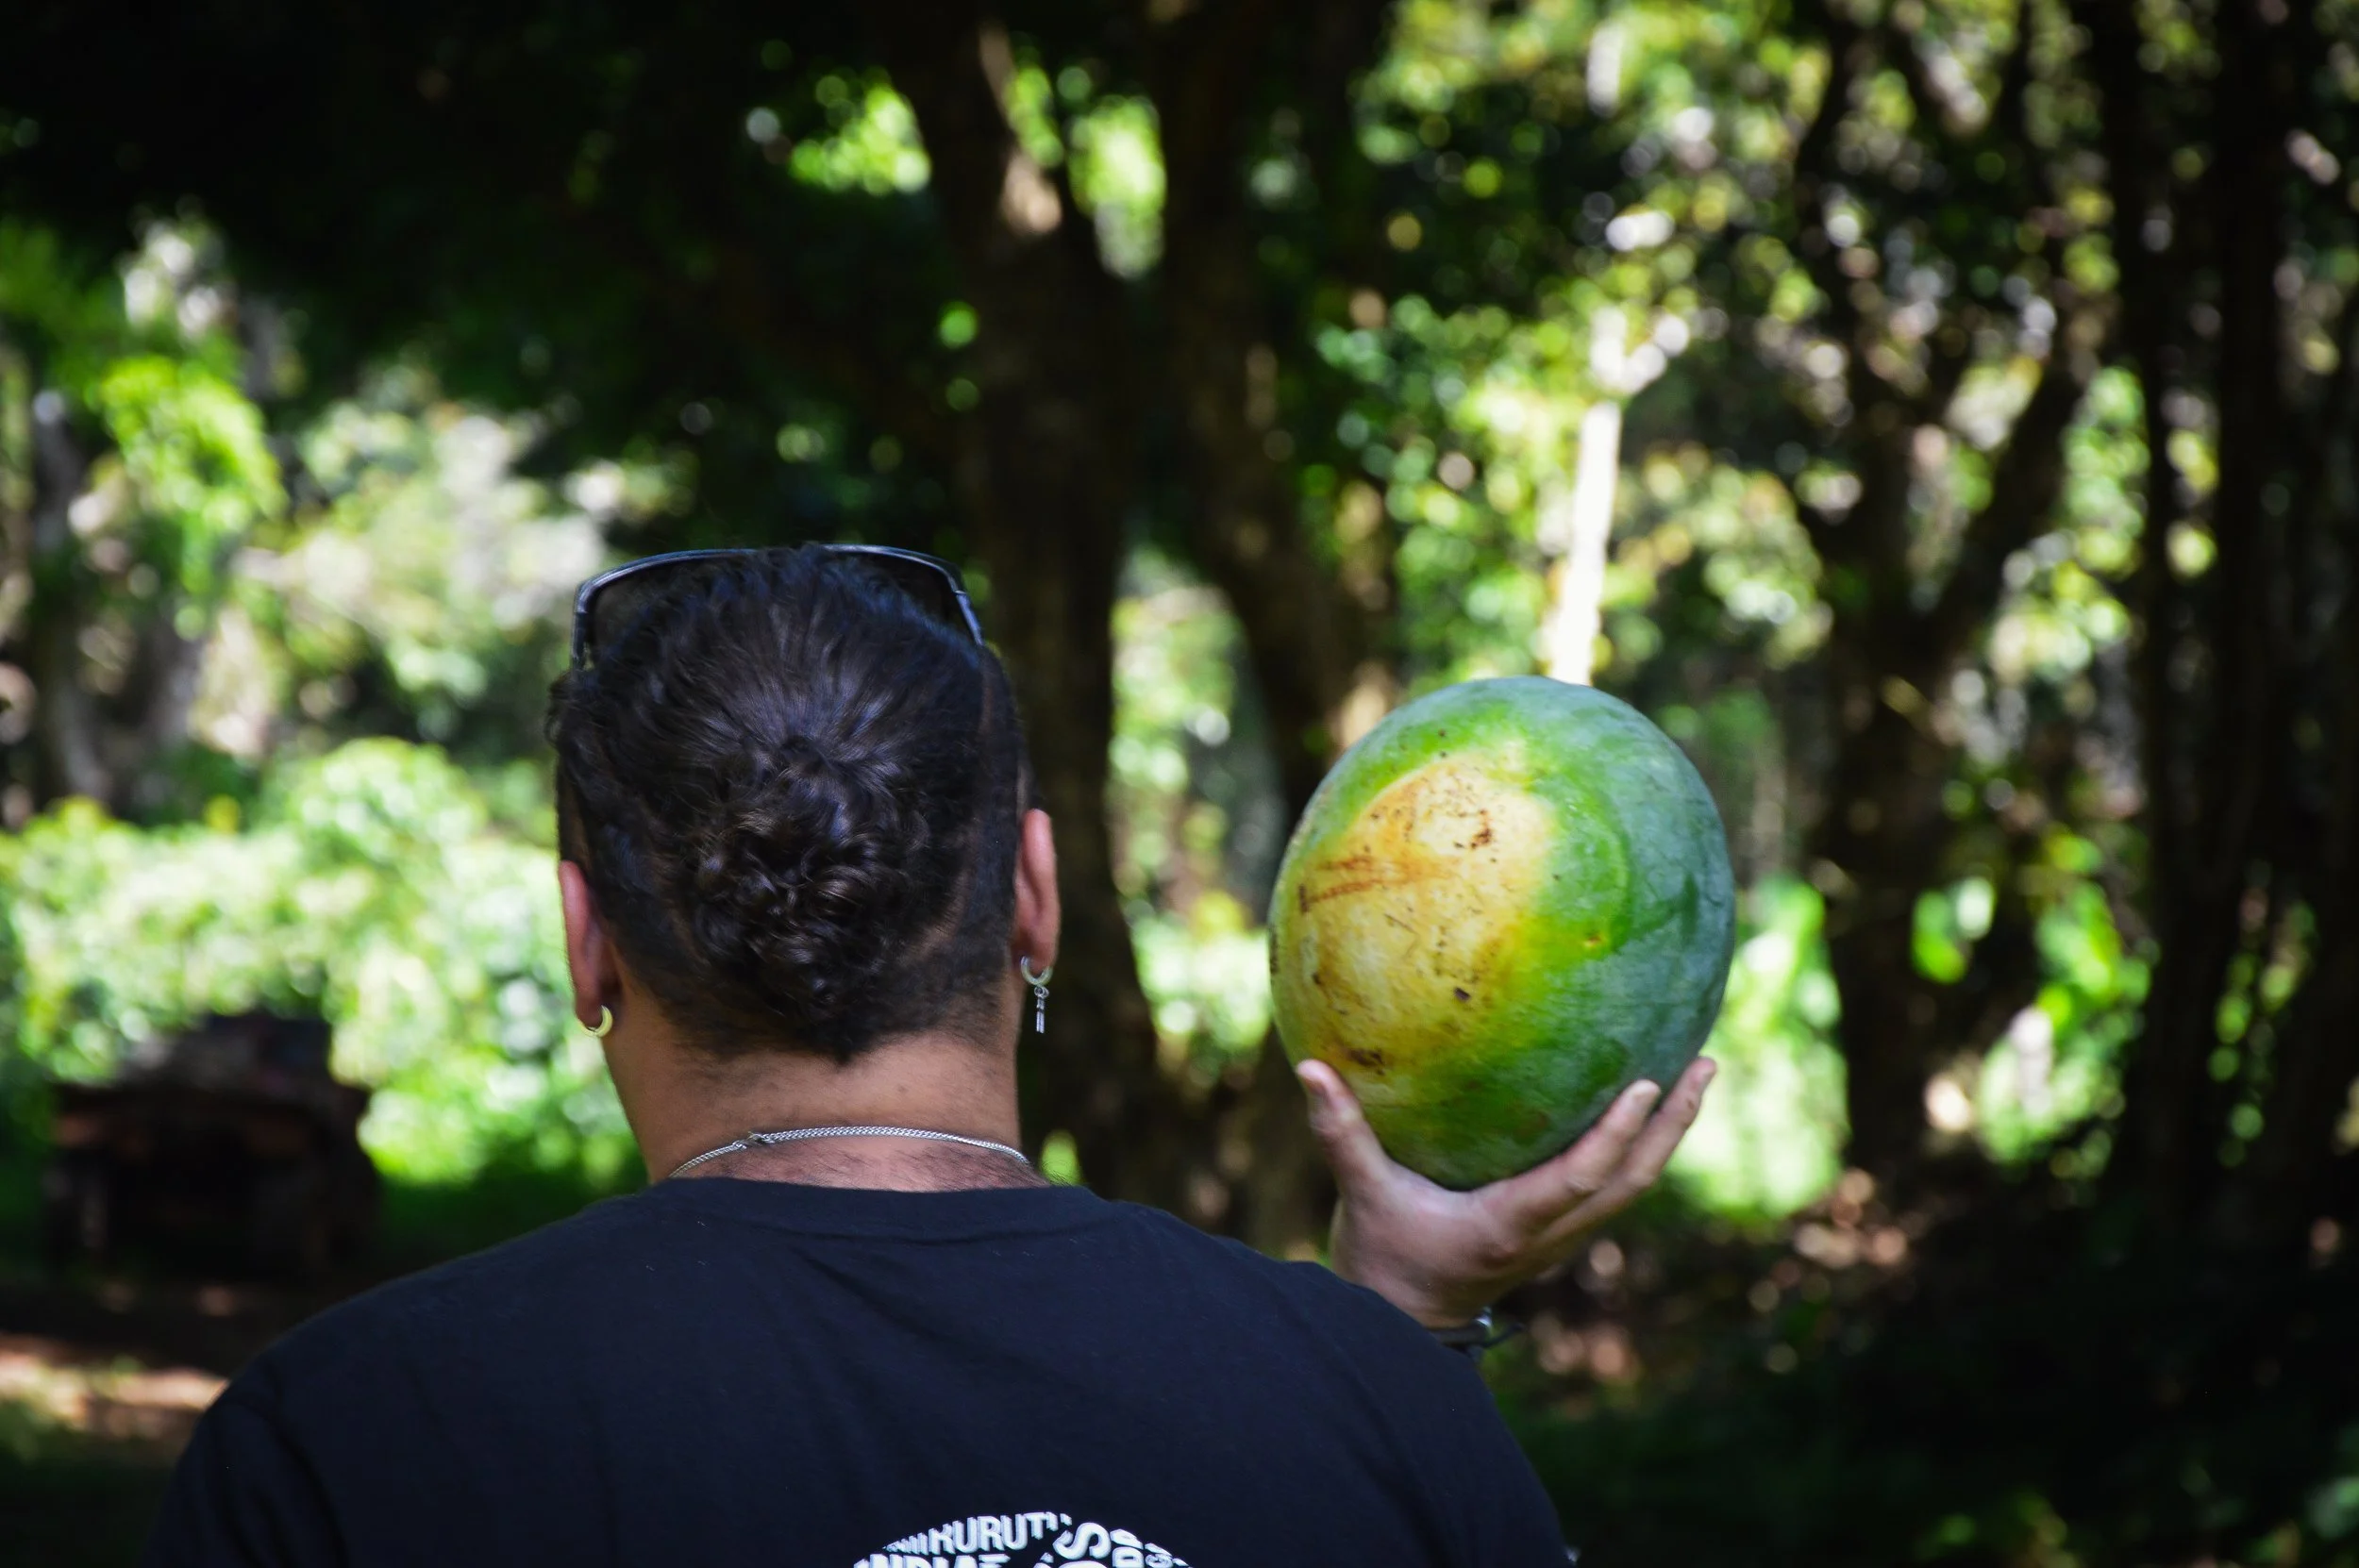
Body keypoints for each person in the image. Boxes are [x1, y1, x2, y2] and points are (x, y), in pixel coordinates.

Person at [145, 546, 1715, 1567]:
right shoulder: (1384, 1421)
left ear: (585, 942)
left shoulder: (339, 1450)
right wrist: (1404, 1335)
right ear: (1034, 896)